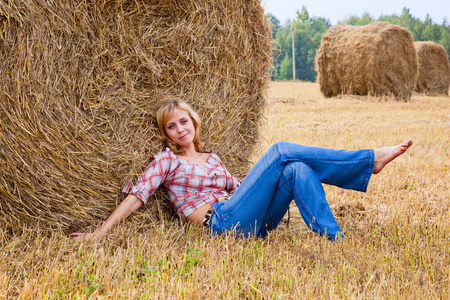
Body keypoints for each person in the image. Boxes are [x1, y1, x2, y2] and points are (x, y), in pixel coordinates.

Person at [70, 98, 413, 241]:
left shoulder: (214, 158)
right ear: (165, 134)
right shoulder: (166, 161)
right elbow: (137, 197)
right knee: (280, 152)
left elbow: (246, 185)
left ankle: (333, 236)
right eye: (171, 126)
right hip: (222, 223)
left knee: (294, 167)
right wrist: (100, 233)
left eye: (184, 121)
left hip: (255, 221)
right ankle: (367, 161)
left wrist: (266, 178)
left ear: (194, 122)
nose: (180, 129)